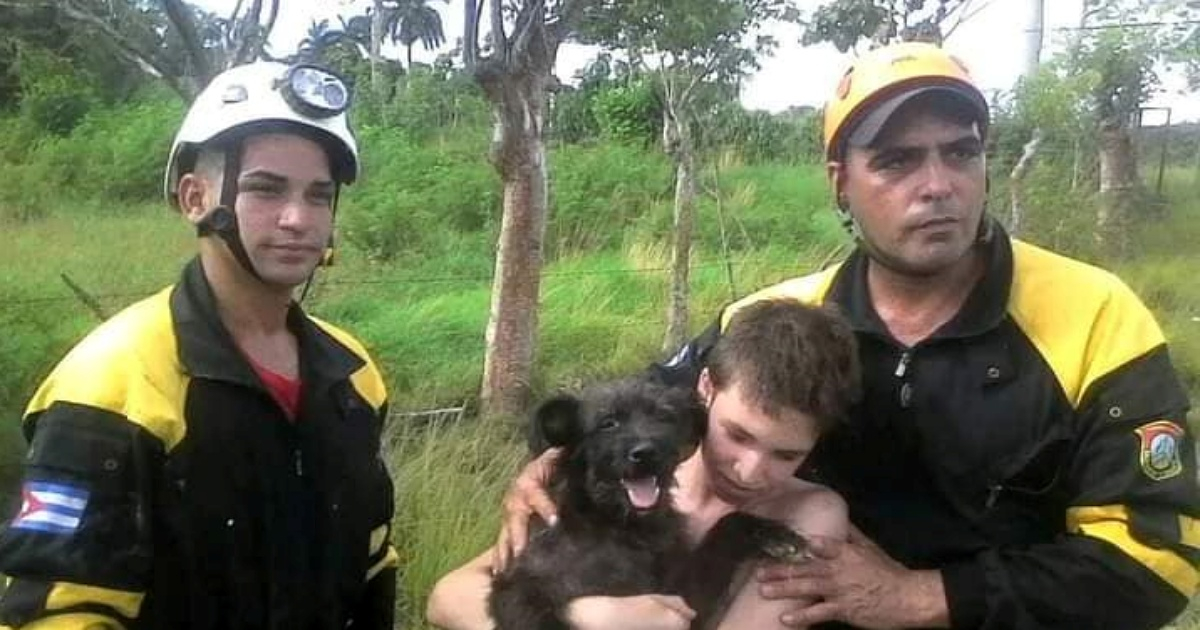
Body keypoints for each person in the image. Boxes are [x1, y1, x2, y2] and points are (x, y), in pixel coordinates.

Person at [501, 41, 1200, 630]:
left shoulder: (1096, 314)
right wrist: (545, 467)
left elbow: (1160, 560)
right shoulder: (775, 316)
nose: (938, 185)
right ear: (841, 183)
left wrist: (925, 596)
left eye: (960, 153)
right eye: (896, 161)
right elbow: (637, 415)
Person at [0, 61, 397, 629]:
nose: (297, 218)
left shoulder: (353, 375)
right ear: (193, 198)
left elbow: (372, 563)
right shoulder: (112, 381)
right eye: (266, 188)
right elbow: (58, 611)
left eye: (319, 195)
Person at [426, 298, 862, 630]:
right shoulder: (600, 499)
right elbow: (446, 597)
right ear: (705, 389)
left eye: (786, 454)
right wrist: (590, 618)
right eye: (737, 434)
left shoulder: (807, 514)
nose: (747, 471)